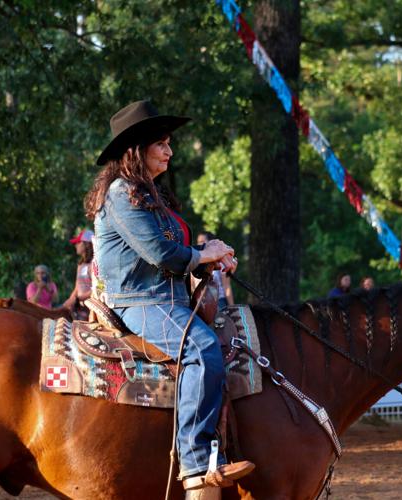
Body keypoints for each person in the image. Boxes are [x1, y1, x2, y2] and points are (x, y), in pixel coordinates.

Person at [84, 100, 255, 489]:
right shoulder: (120, 194)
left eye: (169, 143)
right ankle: (195, 463)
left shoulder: (147, 195)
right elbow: (161, 253)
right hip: (140, 303)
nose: (169, 151)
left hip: (163, 299)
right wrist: (202, 254)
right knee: (203, 348)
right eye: (161, 144)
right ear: (136, 150)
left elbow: (174, 254)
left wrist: (208, 256)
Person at [196, 231, 234, 309]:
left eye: (202, 242)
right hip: (200, 302)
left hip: (219, 301)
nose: (199, 245)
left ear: (210, 242)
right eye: (198, 242)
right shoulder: (195, 261)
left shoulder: (221, 261)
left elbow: (226, 286)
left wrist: (232, 307)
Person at [62, 229, 94, 319]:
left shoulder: (95, 264)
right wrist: (68, 302)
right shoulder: (80, 265)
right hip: (79, 306)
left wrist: (78, 299)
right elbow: (77, 287)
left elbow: (98, 289)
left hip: (91, 308)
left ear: (87, 244)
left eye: (78, 242)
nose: (76, 245)